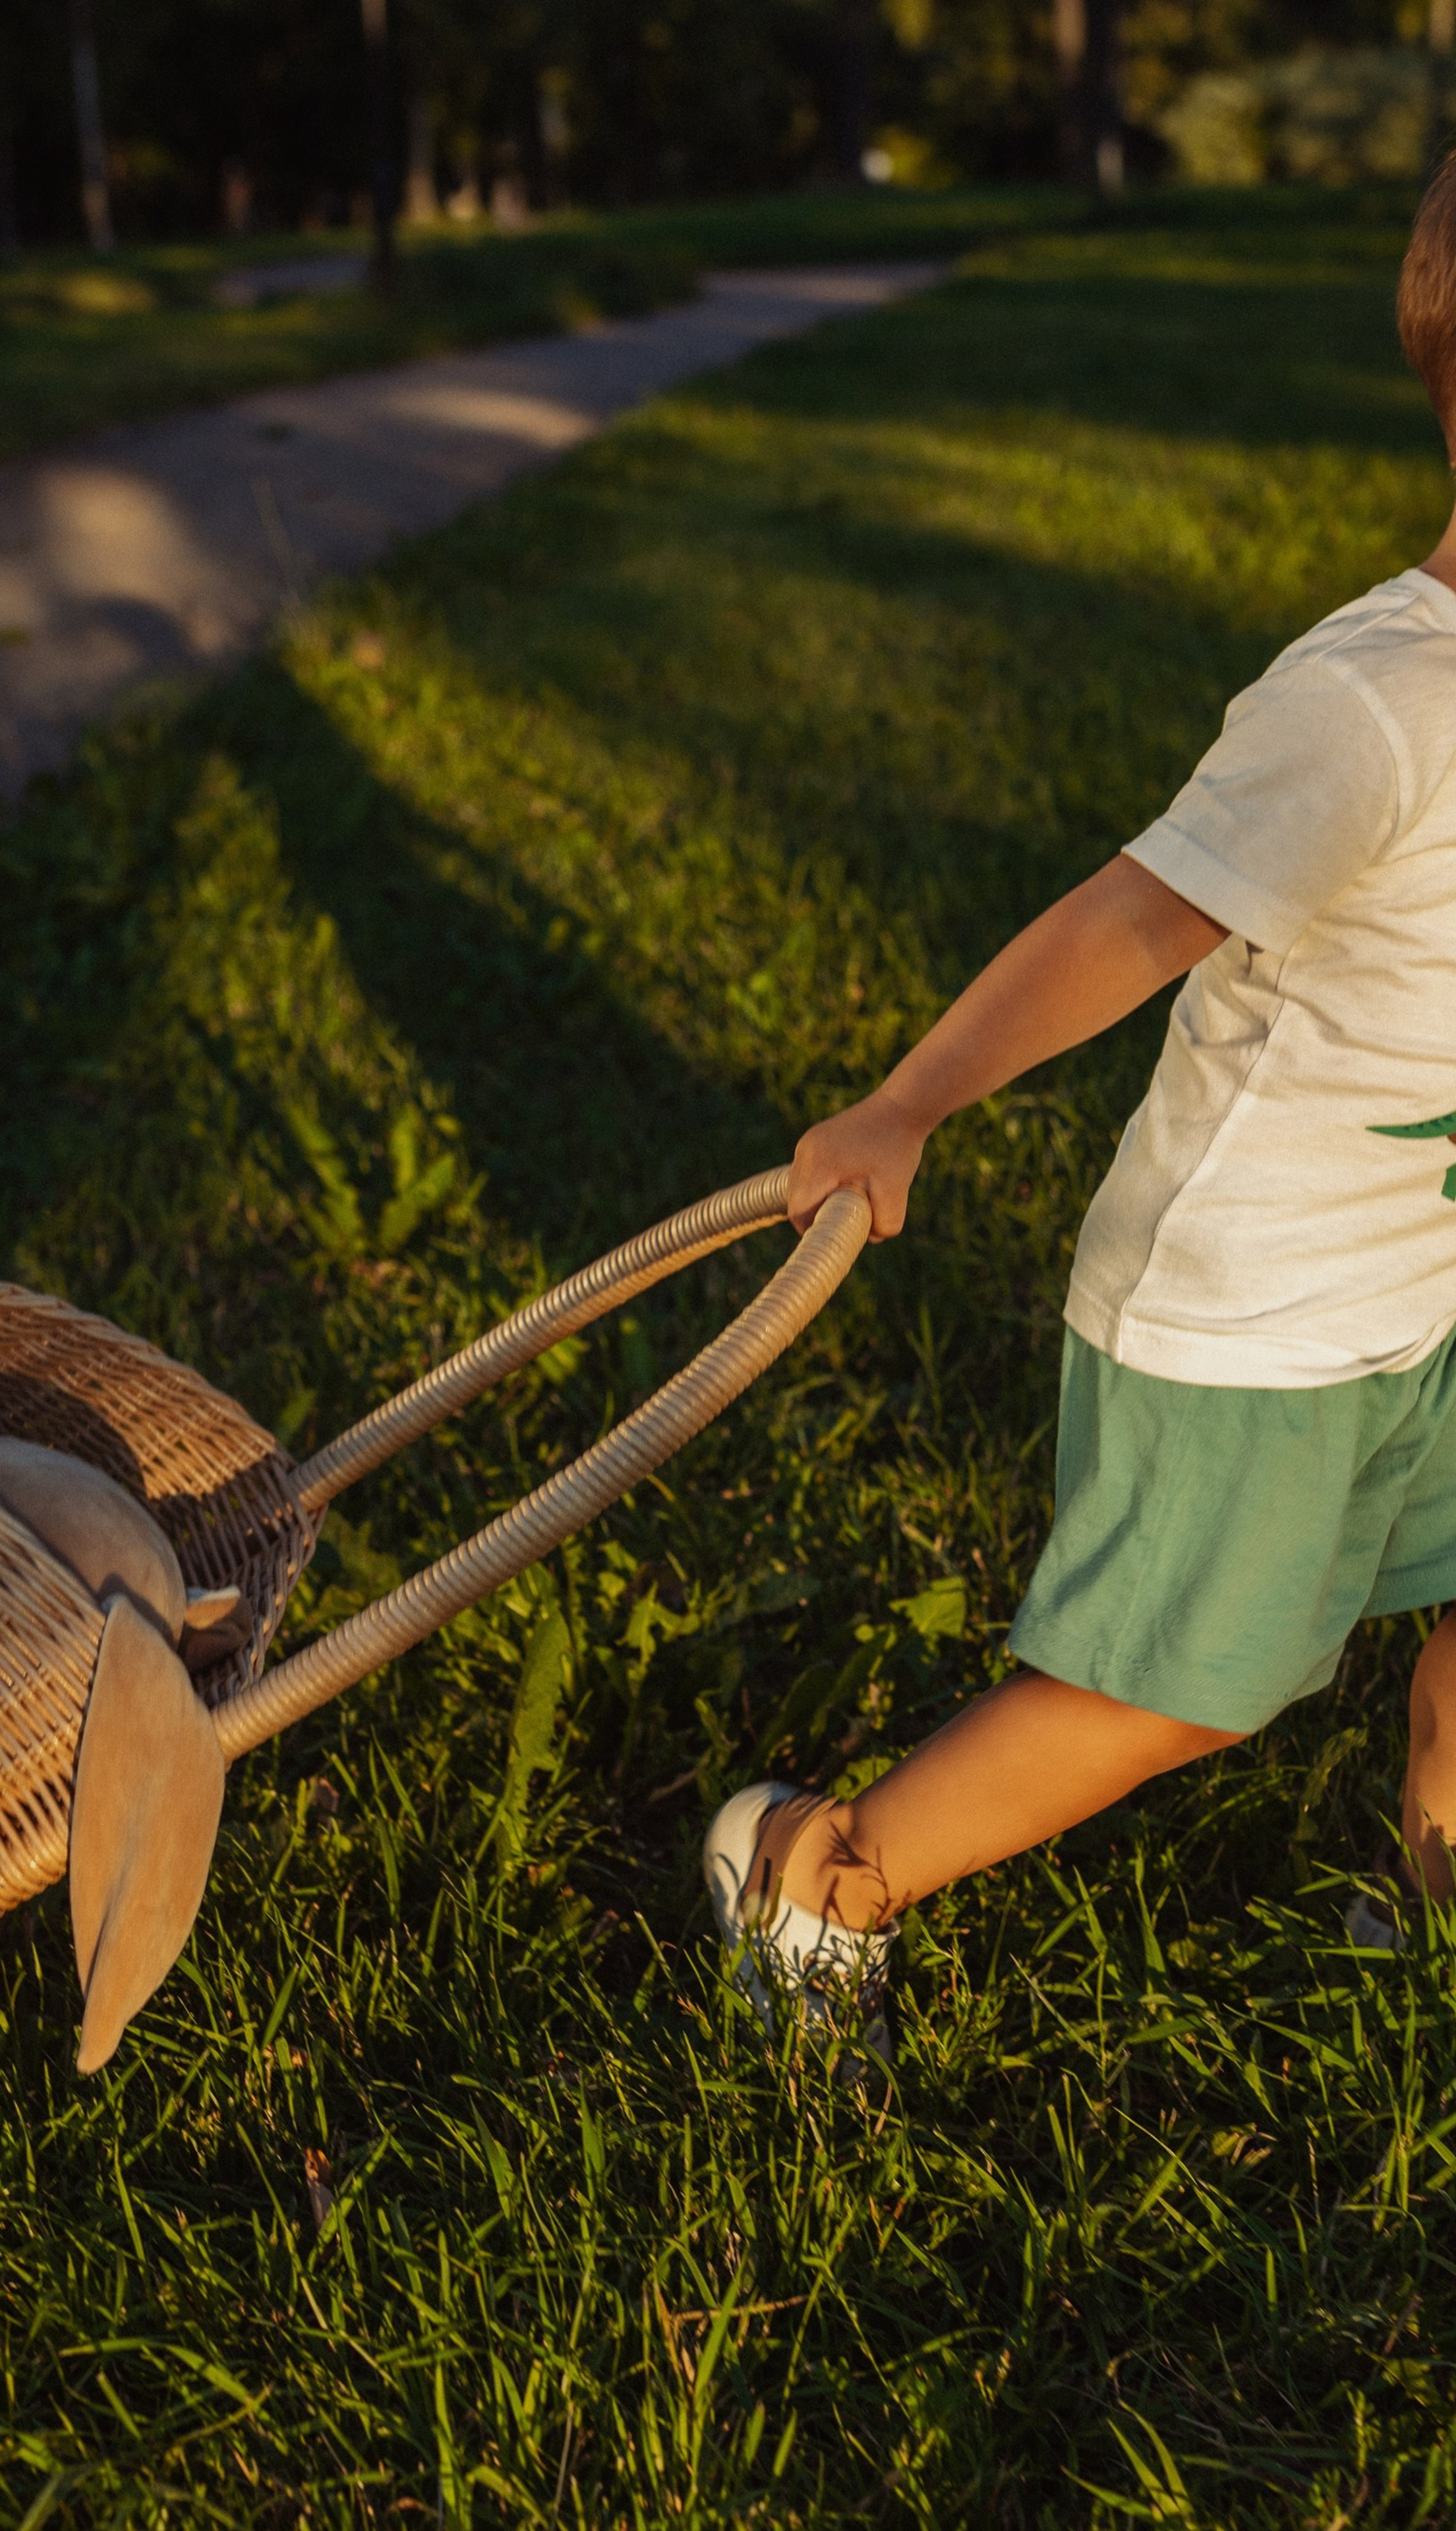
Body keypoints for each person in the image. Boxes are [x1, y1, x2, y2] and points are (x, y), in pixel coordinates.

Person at [705, 158, 1456, 2035]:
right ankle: (822, 1869)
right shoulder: (1375, 710)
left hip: (1423, 1287)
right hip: (1260, 1316)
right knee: (1184, 1689)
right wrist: (909, 1104)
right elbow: (1130, 919)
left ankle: (1432, 1900)